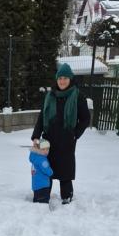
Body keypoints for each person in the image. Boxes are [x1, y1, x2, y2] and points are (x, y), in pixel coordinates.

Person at [31, 63, 90, 205]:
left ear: (70, 79)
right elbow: (42, 117)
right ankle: (44, 196)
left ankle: (66, 197)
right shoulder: (50, 95)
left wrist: (75, 134)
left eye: (65, 78)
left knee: (65, 171)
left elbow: (85, 119)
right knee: (47, 169)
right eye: (60, 78)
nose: (62, 81)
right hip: (48, 139)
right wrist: (36, 135)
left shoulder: (78, 96)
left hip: (66, 139)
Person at [29, 140, 53, 204]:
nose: (46, 151)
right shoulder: (42, 160)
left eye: (47, 149)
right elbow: (47, 170)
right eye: (43, 149)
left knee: (37, 202)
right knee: (43, 204)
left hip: (36, 185)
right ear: (38, 149)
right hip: (43, 185)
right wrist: (51, 172)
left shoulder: (34, 156)